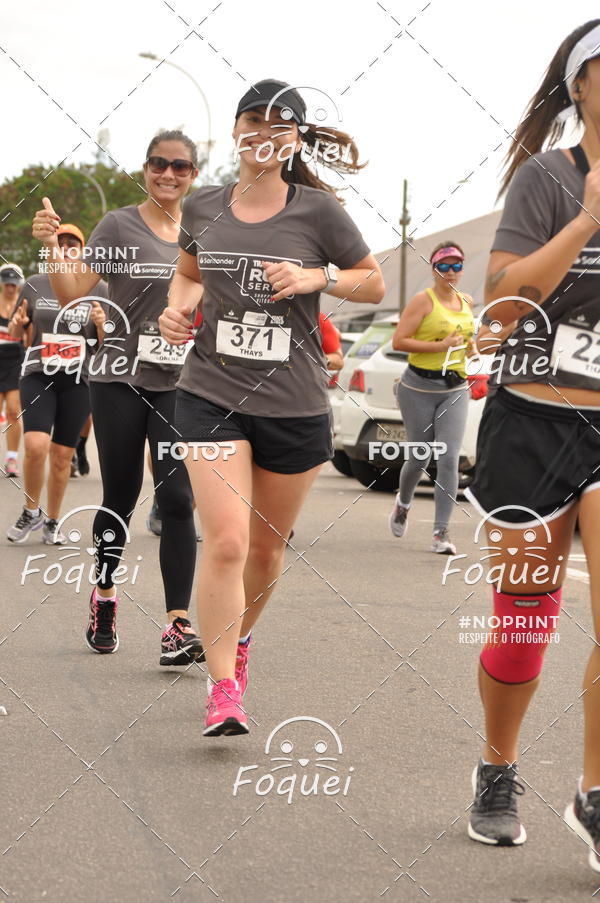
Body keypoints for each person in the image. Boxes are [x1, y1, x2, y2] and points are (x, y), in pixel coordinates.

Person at [159, 79, 385, 737]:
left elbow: (373, 281)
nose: (265, 131)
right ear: (235, 130)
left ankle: (239, 640)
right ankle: (224, 686)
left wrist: (320, 277)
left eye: (280, 123)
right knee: (225, 539)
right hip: (210, 392)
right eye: (254, 119)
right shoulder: (203, 206)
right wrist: (179, 307)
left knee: (264, 550)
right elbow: (189, 273)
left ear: (294, 138)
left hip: (293, 402)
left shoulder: (318, 213)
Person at [462, 20, 600, 871]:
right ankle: (498, 766)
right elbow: (502, 302)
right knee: (522, 633)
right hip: (534, 419)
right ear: (582, 86)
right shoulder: (548, 179)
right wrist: (586, 222)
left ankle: (593, 790)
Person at [31, 129, 203, 666]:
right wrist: (49, 248)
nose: (168, 174)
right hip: (118, 378)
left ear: (193, 174)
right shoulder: (118, 225)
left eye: (180, 166)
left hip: (180, 383)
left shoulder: (204, 229)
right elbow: (70, 293)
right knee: (121, 496)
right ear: (146, 168)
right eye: (158, 164)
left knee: (178, 501)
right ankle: (105, 596)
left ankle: (178, 625)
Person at [7, 225, 106, 545]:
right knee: (35, 446)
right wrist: (19, 325)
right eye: (60, 243)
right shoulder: (34, 284)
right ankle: (30, 510)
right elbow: (16, 330)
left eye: (72, 244)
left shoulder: (99, 288)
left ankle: (52, 520)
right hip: (38, 374)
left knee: (62, 456)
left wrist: (103, 326)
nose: (65, 248)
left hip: (78, 380)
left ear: (83, 250)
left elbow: (107, 345)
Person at [388, 243, 475, 554]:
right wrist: (441, 346)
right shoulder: (422, 301)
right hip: (418, 389)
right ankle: (403, 502)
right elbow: (399, 340)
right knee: (420, 456)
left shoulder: (466, 301)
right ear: (434, 268)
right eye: (445, 266)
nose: (451, 272)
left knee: (449, 457)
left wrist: (473, 351)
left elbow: (467, 340)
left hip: (454, 388)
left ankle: (440, 533)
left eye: (457, 266)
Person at [0, 263, 25, 478]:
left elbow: (30, 334)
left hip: (15, 360)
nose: (10, 288)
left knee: (13, 411)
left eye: (14, 284)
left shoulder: (23, 304)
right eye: (7, 284)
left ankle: (11, 458)